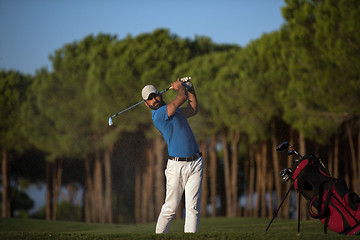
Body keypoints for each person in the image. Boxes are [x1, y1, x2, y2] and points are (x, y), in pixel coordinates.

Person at [141, 78, 204, 233]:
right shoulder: (159, 115)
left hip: (196, 162)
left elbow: (193, 108)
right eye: (150, 98)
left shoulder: (175, 111)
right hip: (177, 167)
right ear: (146, 104)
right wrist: (180, 87)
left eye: (155, 95)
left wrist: (190, 89)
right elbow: (181, 98)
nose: (154, 99)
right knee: (170, 208)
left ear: (160, 95)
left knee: (193, 208)